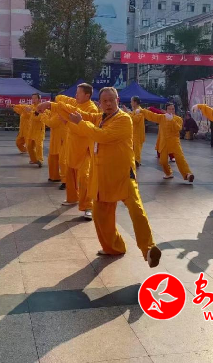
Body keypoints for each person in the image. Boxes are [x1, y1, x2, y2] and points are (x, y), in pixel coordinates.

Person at [40, 87, 162, 267]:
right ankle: (114, 247)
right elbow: (79, 113)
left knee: (136, 210)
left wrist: (81, 123)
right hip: (102, 177)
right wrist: (53, 105)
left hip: (122, 175)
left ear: (117, 100)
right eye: (105, 101)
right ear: (100, 103)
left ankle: (149, 248)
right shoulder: (100, 118)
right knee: (101, 216)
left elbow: (102, 136)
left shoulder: (124, 119)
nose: (108, 104)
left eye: (111, 100)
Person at [48, 83, 99, 220]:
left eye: (78, 93)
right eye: (76, 93)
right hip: (72, 146)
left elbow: (83, 130)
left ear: (87, 95)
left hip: (85, 149)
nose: (76, 95)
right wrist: (52, 102)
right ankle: (72, 198)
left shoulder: (92, 109)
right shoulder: (76, 103)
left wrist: (67, 122)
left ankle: (88, 206)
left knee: (84, 177)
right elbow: (61, 99)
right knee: (70, 173)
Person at [142, 102, 195, 182]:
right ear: (166, 110)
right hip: (164, 143)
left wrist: (172, 120)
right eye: (169, 109)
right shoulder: (162, 117)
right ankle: (168, 173)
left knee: (180, 158)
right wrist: (142, 110)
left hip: (174, 142)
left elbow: (178, 128)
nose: (171, 111)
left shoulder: (178, 119)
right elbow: (152, 116)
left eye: (173, 109)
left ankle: (187, 174)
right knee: (163, 161)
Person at [41, 107, 68, 183]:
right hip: (55, 139)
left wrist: (43, 115)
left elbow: (51, 123)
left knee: (63, 161)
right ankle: (54, 176)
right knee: (52, 158)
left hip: (62, 139)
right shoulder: (53, 111)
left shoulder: (60, 112)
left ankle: (65, 181)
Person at [25, 93, 46, 168]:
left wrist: (31, 112)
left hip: (39, 130)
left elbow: (38, 118)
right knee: (29, 146)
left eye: (35, 98)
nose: (33, 100)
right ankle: (34, 159)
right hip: (31, 130)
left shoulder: (42, 107)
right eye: (32, 98)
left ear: (39, 99)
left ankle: (40, 160)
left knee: (39, 145)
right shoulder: (31, 107)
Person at [129, 96, 146, 166]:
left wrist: (128, 113)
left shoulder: (140, 110)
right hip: (134, 133)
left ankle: (137, 162)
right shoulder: (134, 110)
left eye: (131, 102)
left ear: (135, 102)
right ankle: (134, 161)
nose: (131, 103)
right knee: (133, 148)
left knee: (137, 149)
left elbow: (135, 120)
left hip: (138, 134)